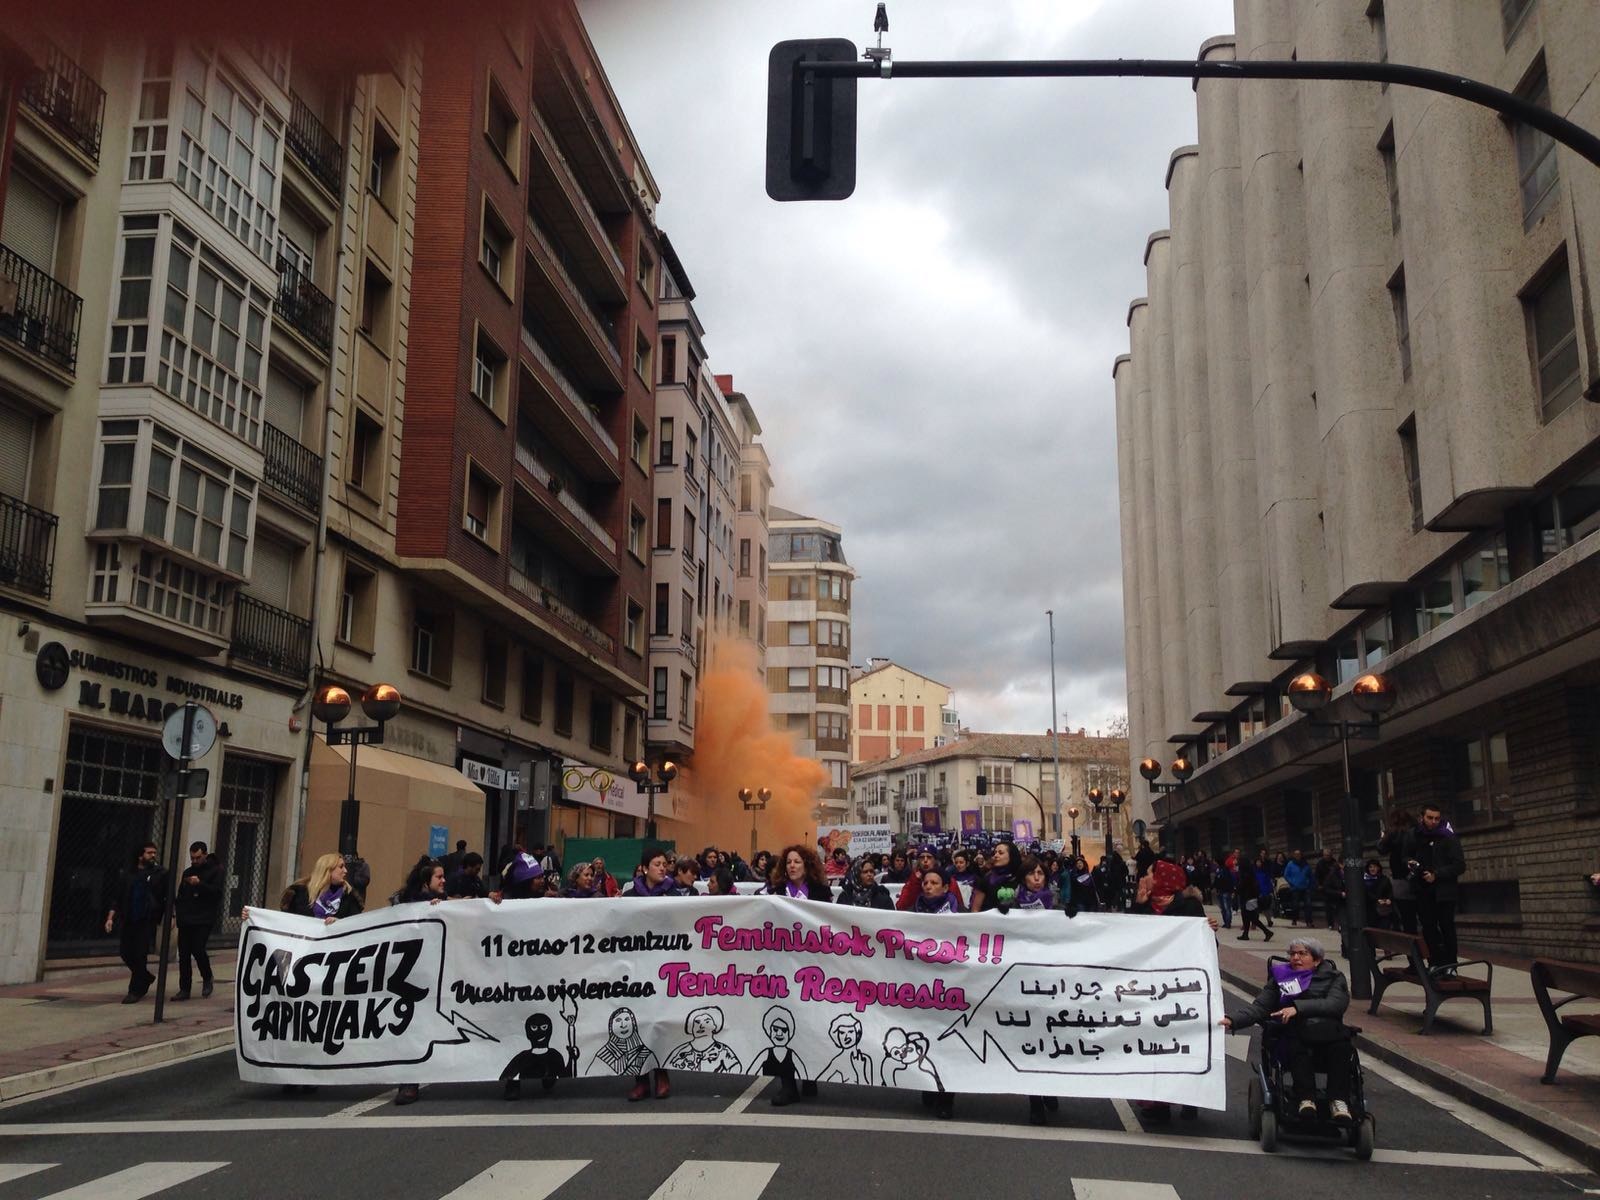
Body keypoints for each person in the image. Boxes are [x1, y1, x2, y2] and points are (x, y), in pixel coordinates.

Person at [1221, 937, 1354, 1124]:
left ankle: (1338, 1101)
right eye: (1292, 954)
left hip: (1327, 1030)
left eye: (1302, 954)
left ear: (1316, 960)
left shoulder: (1334, 977)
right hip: (1296, 1031)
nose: (1296, 958)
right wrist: (1233, 1020)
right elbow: (1260, 1007)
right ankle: (1306, 1099)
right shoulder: (1280, 978)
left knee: (1341, 1047)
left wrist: (1298, 1008)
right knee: (1295, 1043)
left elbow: (1335, 1004)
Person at [392, 858, 446, 1106]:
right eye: (439, 877)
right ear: (426, 882)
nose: (444, 880)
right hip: (414, 980)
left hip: (439, 976)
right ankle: (409, 1081)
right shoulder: (405, 905)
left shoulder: (442, 905)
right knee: (414, 1027)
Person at [624, 846, 675, 1101]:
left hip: (664, 967)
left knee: (660, 1020)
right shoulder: (630, 895)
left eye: (664, 864)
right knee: (638, 1021)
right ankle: (641, 1079)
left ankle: (662, 1074)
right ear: (644, 868)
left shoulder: (674, 894)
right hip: (637, 967)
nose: (662, 868)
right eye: (657, 864)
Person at [1402, 804, 1465, 971]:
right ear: (1421, 817)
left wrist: (1436, 874)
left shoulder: (1448, 836)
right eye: (1430, 818)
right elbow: (1405, 855)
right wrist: (1410, 863)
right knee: (1428, 927)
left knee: (1446, 927)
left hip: (1444, 891)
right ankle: (1435, 962)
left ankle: (1451, 964)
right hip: (1422, 890)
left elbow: (1459, 865)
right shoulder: (1414, 835)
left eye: (1437, 818)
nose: (1434, 821)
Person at [104, 842, 167, 1004]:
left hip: (146, 920)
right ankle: (145, 977)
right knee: (126, 953)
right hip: (129, 918)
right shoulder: (128, 874)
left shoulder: (158, 873)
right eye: (149, 853)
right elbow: (117, 897)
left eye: (154, 852)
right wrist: (110, 918)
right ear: (140, 856)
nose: (153, 855)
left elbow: (166, 895)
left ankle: (135, 990)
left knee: (140, 954)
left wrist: (171, 915)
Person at [171, 841, 221, 1000]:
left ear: (205, 855)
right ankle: (184, 988)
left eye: (198, 857)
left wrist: (200, 884)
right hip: (186, 918)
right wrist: (177, 915)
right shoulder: (187, 872)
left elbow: (216, 893)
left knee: (198, 948)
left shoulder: (215, 871)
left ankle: (207, 977)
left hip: (204, 918)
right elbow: (180, 895)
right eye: (192, 858)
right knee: (184, 953)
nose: (194, 861)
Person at [1377, 808, 1420, 934]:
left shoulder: (1393, 834)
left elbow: (1381, 848)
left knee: (1407, 919)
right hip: (1419, 878)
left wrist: (1382, 837)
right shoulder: (1416, 832)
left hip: (1400, 880)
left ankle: (1413, 951)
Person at [896, 846, 966, 911]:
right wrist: (915, 883)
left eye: (929, 857)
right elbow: (901, 907)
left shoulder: (948, 880)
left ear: (935, 860)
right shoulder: (913, 880)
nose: (925, 860)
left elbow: (959, 906)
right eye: (922, 857)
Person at [968, 839, 1022, 913]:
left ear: (1011, 856)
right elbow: (975, 909)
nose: (996, 855)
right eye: (995, 852)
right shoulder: (986, 878)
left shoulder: (1020, 877)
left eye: (1001, 853)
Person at [767, 845, 834, 901]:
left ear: (807, 866)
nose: (792, 865)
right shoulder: (777, 891)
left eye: (797, 862)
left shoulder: (821, 891)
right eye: (788, 862)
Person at [1283, 849, 1313, 927]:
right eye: (1296, 854)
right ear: (1294, 856)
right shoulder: (1290, 864)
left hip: (1305, 887)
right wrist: (1292, 882)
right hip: (1295, 888)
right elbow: (1286, 875)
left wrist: (1308, 883)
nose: (1297, 856)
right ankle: (1294, 919)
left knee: (1308, 904)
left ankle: (1309, 921)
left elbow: (1310, 875)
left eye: (1299, 854)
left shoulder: (1306, 864)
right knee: (1295, 905)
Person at [1362, 860, 1396, 929]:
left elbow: (1390, 892)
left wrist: (1389, 899)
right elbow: (1366, 893)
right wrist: (1377, 900)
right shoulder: (1365, 880)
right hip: (1371, 910)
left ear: (1378, 868)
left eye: (1374, 867)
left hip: (1383, 910)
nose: (1372, 869)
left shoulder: (1384, 879)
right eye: (1370, 867)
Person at [1213, 855, 1236, 929]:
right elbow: (1216, 880)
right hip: (1220, 890)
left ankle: (1228, 922)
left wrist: (1231, 890)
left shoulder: (1224, 870)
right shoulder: (1219, 870)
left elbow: (1228, 880)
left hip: (1225, 891)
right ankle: (1226, 922)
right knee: (1223, 908)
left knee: (1226, 907)